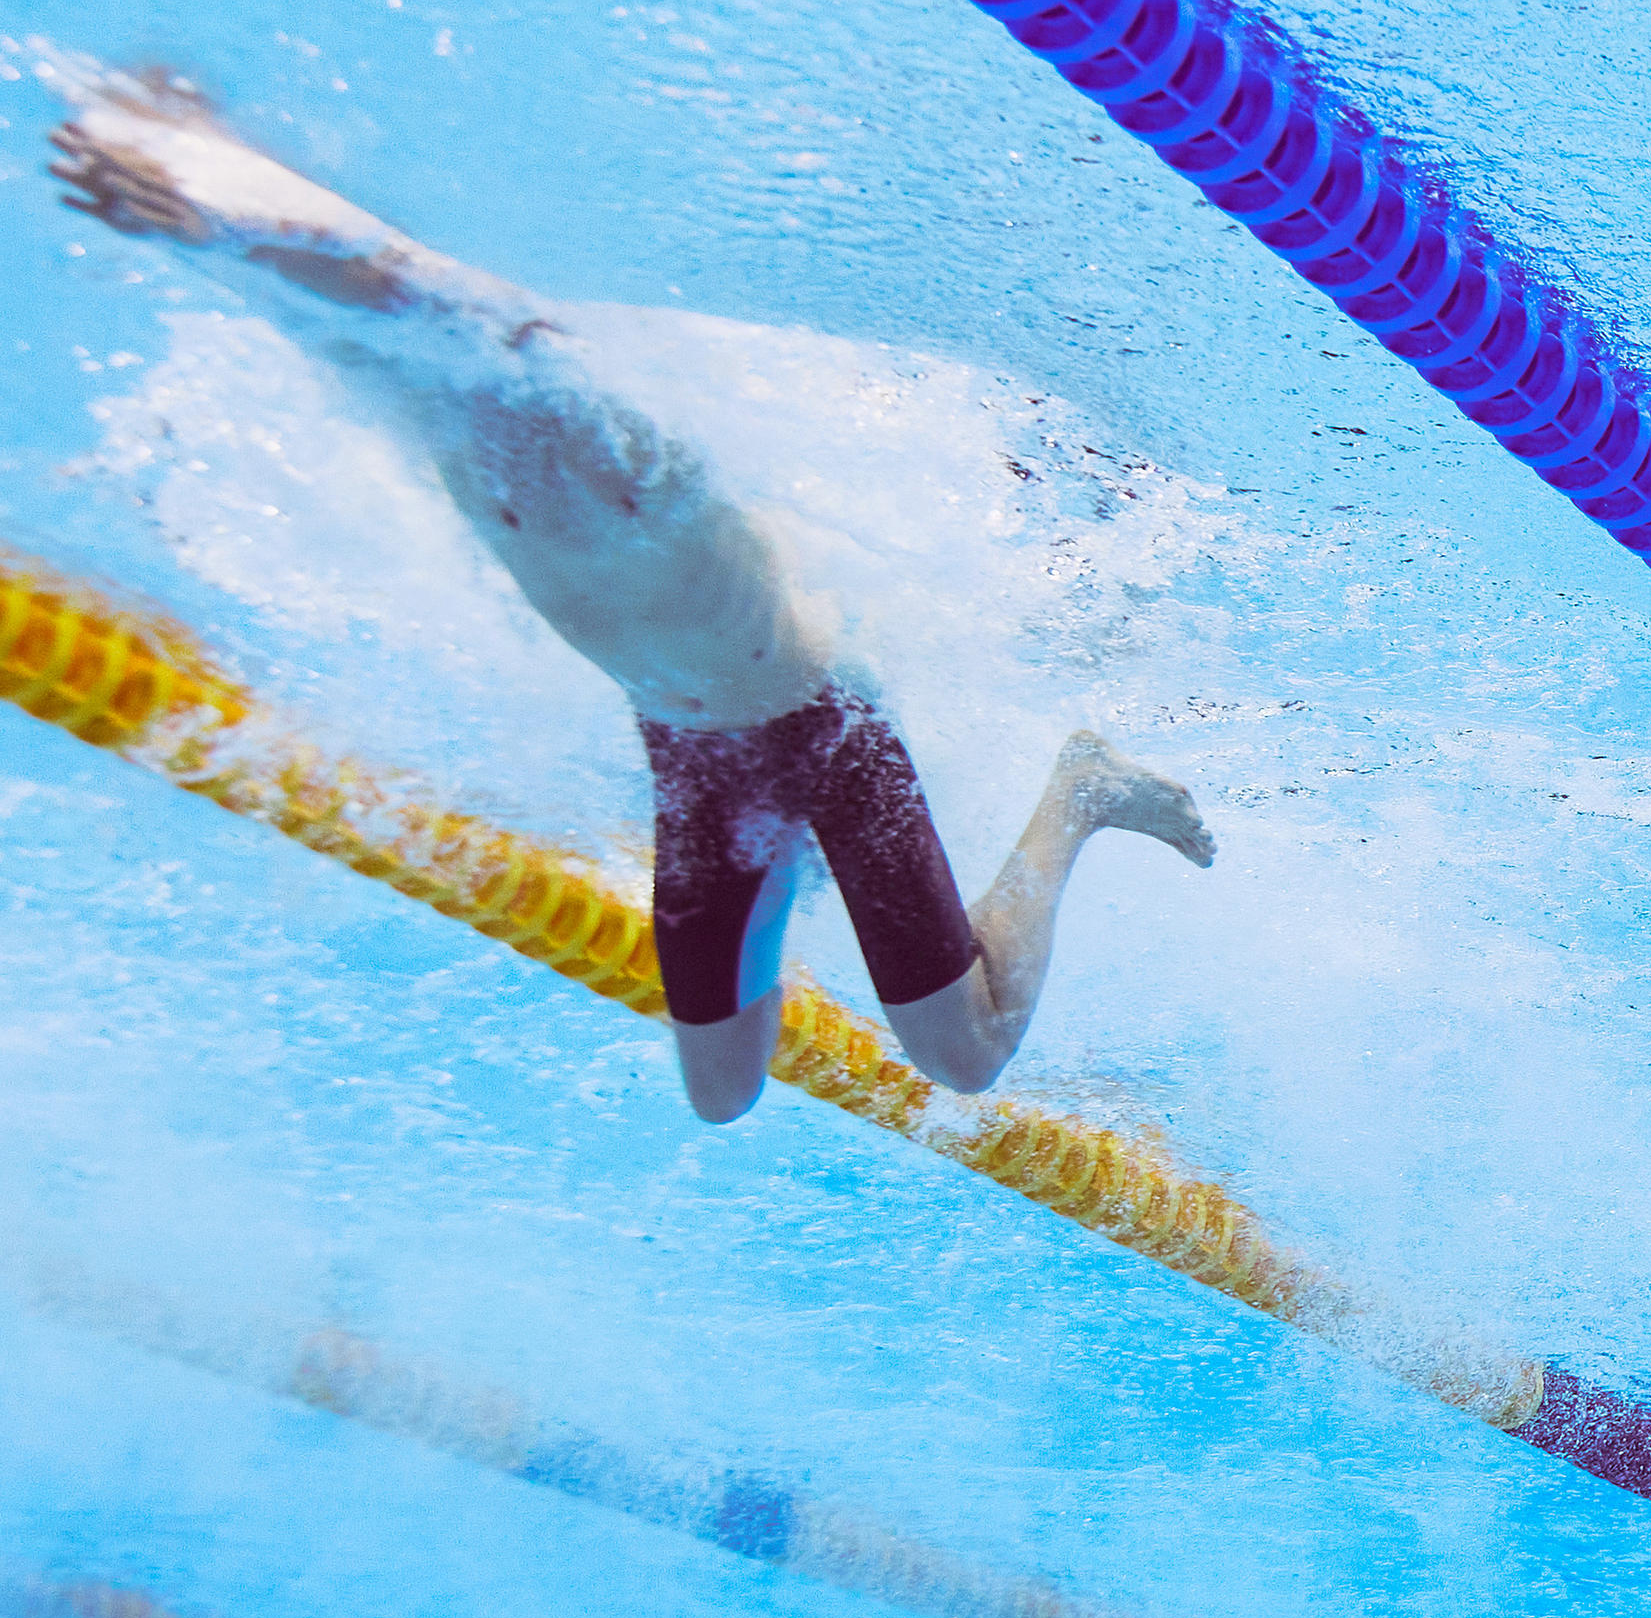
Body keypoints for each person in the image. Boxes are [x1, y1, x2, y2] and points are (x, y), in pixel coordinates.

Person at [42, 76, 1214, 1121]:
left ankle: (1080, 791)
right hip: (692, 751)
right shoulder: (429, 407)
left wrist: (219, 210)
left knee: (963, 1058)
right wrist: (194, 182)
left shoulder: (587, 417)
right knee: (720, 1093)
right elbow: (332, 298)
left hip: (822, 726)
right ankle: (789, 865)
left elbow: (392, 272)